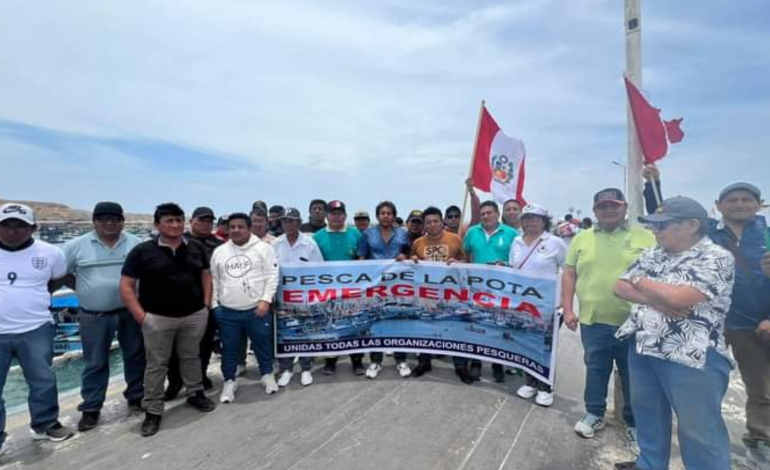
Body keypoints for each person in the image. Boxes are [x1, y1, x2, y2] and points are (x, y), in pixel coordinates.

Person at [613, 197, 735, 470]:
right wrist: (655, 298)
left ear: (692, 225)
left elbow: (681, 298)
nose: (655, 231)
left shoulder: (716, 257)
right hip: (644, 345)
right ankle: (649, 465)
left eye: (663, 225)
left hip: (691, 355)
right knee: (649, 416)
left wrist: (640, 280)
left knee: (699, 431)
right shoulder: (656, 252)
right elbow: (619, 287)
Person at [562, 188, 655, 449]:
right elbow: (569, 274)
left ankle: (634, 423)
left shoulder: (646, 237)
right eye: (603, 207)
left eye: (614, 206)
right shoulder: (581, 239)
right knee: (596, 368)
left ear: (625, 208)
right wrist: (569, 309)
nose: (609, 211)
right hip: (594, 320)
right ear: (595, 211)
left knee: (634, 374)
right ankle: (594, 414)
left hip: (637, 322)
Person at [120, 203, 215, 437]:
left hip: (194, 314)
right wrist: (142, 317)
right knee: (156, 364)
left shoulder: (195, 247)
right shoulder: (142, 251)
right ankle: (153, 410)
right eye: (169, 221)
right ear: (157, 225)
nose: (175, 225)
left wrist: (205, 305)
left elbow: (206, 275)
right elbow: (126, 286)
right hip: (158, 318)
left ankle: (195, 393)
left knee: (191, 356)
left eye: (178, 220)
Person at [62, 202, 144, 432]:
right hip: (94, 315)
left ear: (122, 221)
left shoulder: (135, 243)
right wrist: (84, 288)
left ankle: (136, 397)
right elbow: (62, 273)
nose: (109, 222)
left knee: (136, 356)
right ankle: (91, 407)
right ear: (94, 221)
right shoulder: (75, 246)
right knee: (95, 362)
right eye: (103, 218)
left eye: (115, 218)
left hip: (130, 311)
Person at [0, 203, 75, 451]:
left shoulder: (51, 253)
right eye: (6, 224)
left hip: (35, 327)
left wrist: (34, 299)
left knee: (42, 378)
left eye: (19, 225)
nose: (12, 231)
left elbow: (57, 279)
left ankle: (45, 424)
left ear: (33, 227)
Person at [712, 182, 770, 469]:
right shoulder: (708, 234)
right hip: (714, 322)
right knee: (704, 383)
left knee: (761, 389)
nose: (739, 204)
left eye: (746, 199)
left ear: (759, 204)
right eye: (731, 199)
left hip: (757, 324)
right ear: (718, 205)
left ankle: (759, 444)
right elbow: (666, 217)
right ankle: (704, 439)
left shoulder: (768, 235)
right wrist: (652, 183)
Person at [210, 213, 280, 403]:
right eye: (232, 227)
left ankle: (267, 375)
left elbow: (272, 276)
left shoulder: (264, 249)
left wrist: (265, 300)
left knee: (262, 344)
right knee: (230, 349)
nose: (236, 230)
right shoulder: (220, 252)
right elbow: (214, 280)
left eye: (241, 226)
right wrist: (215, 306)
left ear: (249, 228)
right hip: (228, 312)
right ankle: (229, 381)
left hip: (256, 309)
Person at [508, 204, 566, 407]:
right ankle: (530, 382)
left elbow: (568, 271)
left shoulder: (555, 243)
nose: (530, 222)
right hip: (522, 304)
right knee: (526, 343)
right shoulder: (516, 241)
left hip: (547, 304)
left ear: (544, 221)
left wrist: (565, 302)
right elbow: (512, 270)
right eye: (527, 218)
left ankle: (545, 386)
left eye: (535, 218)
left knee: (545, 346)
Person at [163, 206, 223, 400]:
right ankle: (175, 381)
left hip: (208, 302)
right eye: (202, 220)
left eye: (209, 221)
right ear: (192, 221)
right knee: (173, 347)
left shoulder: (220, 245)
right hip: (178, 302)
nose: (206, 224)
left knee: (204, 344)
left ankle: (200, 376)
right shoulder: (180, 241)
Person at [460, 200, 518, 383]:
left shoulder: (512, 234)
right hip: (477, 288)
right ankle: (476, 362)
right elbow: (465, 254)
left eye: (489, 213)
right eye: (483, 213)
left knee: (498, 325)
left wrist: (506, 266)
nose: (485, 216)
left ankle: (497, 363)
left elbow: (518, 261)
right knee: (477, 324)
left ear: (497, 214)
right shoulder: (472, 232)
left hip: (502, 290)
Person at [409, 206, 467, 377]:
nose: (432, 225)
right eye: (429, 222)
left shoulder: (455, 239)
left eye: (436, 221)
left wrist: (458, 261)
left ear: (442, 222)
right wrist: (412, 260)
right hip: (427, 295)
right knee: (425, 328)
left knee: (455, 329)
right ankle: (424, 362)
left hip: (451, 294)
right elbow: (413, 262)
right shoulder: (418, 243)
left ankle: (461, 366)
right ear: (424, 225)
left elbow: (465, 259)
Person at [358, 201, 412, 379]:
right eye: (382, 213)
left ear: (394, 215)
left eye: (389, 213)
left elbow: (410, 256)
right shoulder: (367, 234)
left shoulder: (403, 234)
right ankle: (375, 361)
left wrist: (405, 257)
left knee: (398, 321)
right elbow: (361, 257)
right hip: (375, 286)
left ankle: (401, 359)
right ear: (377, 216)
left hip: (397, 286)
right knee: (375, 321)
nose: (386, 215)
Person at [313, 200, 366, 376]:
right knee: (331, 326)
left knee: (354, 326)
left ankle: (357, 361)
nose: (336, 216)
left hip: (352, 291)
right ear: (327, 216)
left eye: (339, 213)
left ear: (345, 215)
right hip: (328, 291)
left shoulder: (356, 234)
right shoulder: (317, 237)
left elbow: (362, 258)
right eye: (332, 213)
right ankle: (330, 361)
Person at [273, 208, 323, 387]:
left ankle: (306, 368)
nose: (289, 224)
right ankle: (286, 369)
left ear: (299, 222)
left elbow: (320, 271)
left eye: (292, 221)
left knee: (305, 333)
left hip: (304, 298)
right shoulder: (276, 244)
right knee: (286, 335)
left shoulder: (309, 244)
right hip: (282, 298)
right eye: (285, 221)